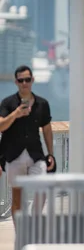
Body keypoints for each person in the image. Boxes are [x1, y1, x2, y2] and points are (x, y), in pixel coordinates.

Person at [0, 65, 55, 226]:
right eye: (21, 80)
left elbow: (46, 128)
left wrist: (50, 153)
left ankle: (34, 218)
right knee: (17, 197)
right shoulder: (8, 103)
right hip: (13, 155)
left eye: (27, 80)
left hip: (35, 154)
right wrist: (16, 114)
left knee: (43, 187)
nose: (25, 83)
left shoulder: (42, 104)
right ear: (16, 82)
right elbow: (1, 126)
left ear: (33, 80)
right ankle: (21, 237)